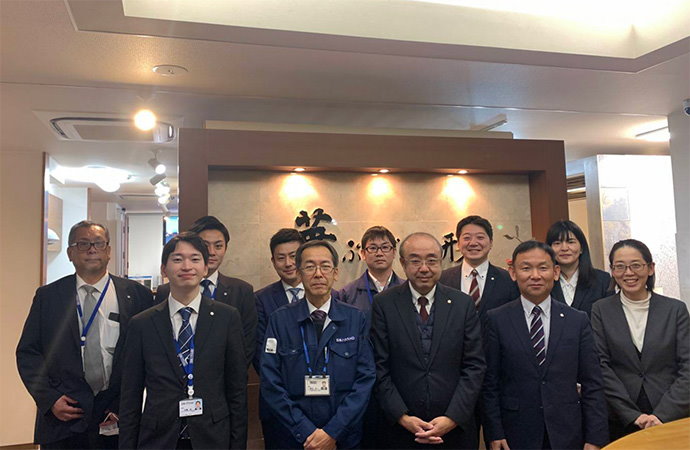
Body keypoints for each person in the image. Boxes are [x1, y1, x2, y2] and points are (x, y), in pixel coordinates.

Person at [16, 220, 154, 449]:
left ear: (109, 251)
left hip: (117, 415)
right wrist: (49, 399)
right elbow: (28, 353)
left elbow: (150, 356)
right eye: (83, 244)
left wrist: (124, 405)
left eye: (98, 243)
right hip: (64, 413)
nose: (91, 249)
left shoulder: (138, 295)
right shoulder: (48, 297)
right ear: (70, 253)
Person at [119, 232, 247, 449]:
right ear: (164, 269)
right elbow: (130, 395)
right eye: (177, 259)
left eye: (195, 259)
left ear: (205, 268)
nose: (187, 266)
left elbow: (237, 390)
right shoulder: (142, 324)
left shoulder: (227, 318)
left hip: (213, 437)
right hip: (159, 438)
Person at [482, 240, 608, 450]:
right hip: (515, 432)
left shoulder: (577, 320)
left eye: (543, 268)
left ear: (555, 272)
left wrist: (595, 437)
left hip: (567, 431)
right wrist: (494, 432)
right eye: (526, 268)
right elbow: (490, 383)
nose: (535, 275)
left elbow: (593, 383)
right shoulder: (497, 319)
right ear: (513, 273)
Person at [371, 232, 485, 449]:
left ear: (441, 262)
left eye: (432, 260)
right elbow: (379, 366)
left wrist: (452, 417)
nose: (424, 268)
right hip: (400, 431)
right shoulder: (384, 304)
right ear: (403, 263)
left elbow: (474, 366)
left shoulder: (462, 304)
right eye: (415, 261)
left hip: (454, 430)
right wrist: (402, 417)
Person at [260, 240, 375, 449]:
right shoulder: (280, 320)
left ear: (335, 273)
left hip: (343, 438)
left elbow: (365, 379)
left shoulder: (355, 319)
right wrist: (305, 431)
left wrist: (333, 432)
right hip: (294, 438)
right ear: (299, 273)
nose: (318, 274)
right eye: (310, 267)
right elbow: (271, 382)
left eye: (325, 266)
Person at [591, 239, 689, 441]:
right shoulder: (600, 310)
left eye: (636, 265)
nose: (628, 273)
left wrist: (663, 414)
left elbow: (687, 366)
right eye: (620, 266)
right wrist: (632, 415)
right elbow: (601, 365)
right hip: (621, 417)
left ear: (650, 268)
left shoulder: (675, 310)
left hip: (670, 414)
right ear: (612, 271)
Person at [156, 215, 257, 366]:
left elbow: (247, 344)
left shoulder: (242, 291)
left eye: (218, 246)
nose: (211, 252)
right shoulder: (165, 291)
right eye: (205, 245)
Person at [254, 228, 305, 448]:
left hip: (320, 402)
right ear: (273, 261)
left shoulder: (328, 295)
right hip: (277, 404)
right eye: (281, 258)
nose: (288, 263)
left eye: (293, 256)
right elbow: (260, 355)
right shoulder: (260, 300)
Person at [439, 215, 518, 326]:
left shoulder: (507, 280)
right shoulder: (443, 279)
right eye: (467, 238)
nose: (473, 243)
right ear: (458, 243)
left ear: (491, 243)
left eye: (480, 237)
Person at [546, 220, 611, 316]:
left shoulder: (602, 280)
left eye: (570, 242)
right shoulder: (544, 281)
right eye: (557, 243)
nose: (564, 248)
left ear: (581, 248)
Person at [339, 226, 405, 312]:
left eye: (385, 247)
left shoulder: (408, 290)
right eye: (373, 248)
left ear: (394, 252)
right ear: (363, 254)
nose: (379, 253)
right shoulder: (347, 294)